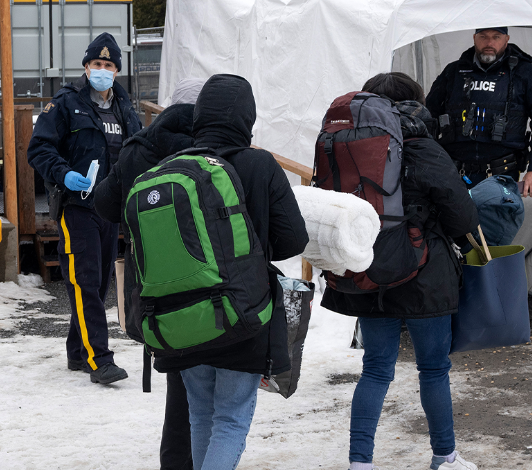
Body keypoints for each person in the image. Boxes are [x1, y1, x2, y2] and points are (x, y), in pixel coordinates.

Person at [321, 73, 479, 470]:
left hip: (367, 271)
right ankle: (445, 457)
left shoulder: (347, 147)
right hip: (424, 275)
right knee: (433, 368)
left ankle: (361, 463)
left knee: (375, 369)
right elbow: (461, 213)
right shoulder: (423, 147)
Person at [94, 78, 206, 470]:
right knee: (215, 395)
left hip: (155, 288)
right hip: (211, 288)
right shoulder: (210, 149)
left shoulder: (138, 147)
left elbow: (105, 205)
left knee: (180, 387)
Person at [27, 32, 142, 385]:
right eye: (97, 64)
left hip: (110, 209)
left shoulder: (125, 107)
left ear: (116, 71)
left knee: (98, 282)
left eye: (109, 65)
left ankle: (78, 351)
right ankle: (100, 360)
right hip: (76, 206)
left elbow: (137, 153)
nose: (102, 70)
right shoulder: (65, 103)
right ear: (86, 67)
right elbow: (39, 150)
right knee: (85, 280)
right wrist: (66, 174)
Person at [426, 27, 532, 191]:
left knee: (496, 217)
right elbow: (428, 116)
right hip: (455, 174)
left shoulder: (525, 72)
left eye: (496, 37)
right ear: (474, 38)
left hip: (502, 174)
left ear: (507, 39)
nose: (489, 43)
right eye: (483, 36)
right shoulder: (454, 72)